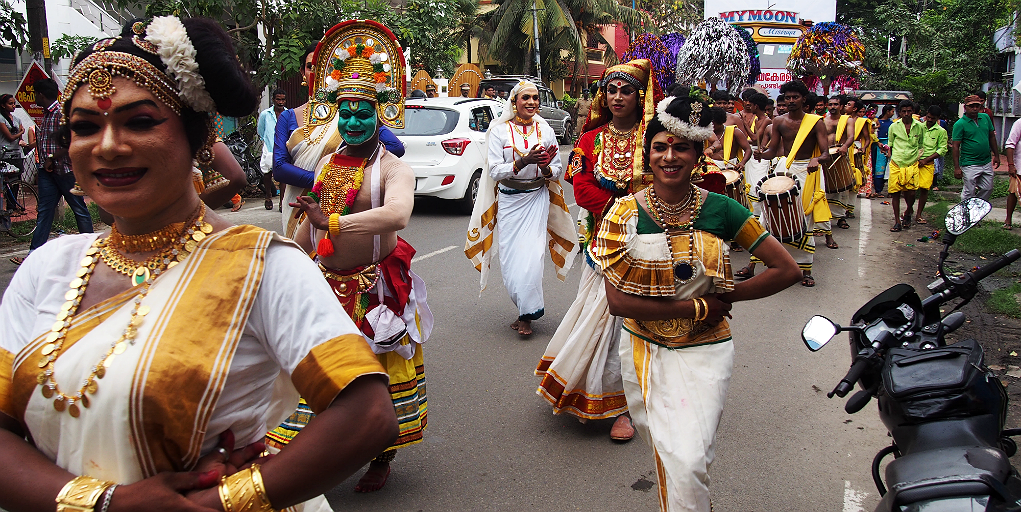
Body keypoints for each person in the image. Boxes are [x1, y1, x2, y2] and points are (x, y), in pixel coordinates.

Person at [0, 17, 399, 512]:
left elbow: (366, 415)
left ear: (196, 137)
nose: (107, 146)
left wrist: (225, 499)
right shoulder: (47, 269)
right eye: (85, 127)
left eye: (139, 121)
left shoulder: (261, 265)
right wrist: (109, 504)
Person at [595, 88, 802, 512]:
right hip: (646, 350)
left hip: (708, 351)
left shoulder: (722, 210)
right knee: (680, 460)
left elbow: (787, 270)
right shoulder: (624, 212)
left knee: (690, 459)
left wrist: (729, 295)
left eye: (681, 148)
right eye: (659, 147)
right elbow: (618, 302)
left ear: (697, 154)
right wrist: (698, 306)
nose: (669, 157)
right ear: (647, 153)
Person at [279, 20, 431, 494]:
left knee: (374, 377)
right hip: (326, 284)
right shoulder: (327, 162)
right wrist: (290, 257)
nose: (353, 122)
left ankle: (380, 456)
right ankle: (314, 459)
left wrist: (335, 224)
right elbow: (312, 221)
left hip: (373, 289)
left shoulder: (393, 167)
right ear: (336, 114)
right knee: (315, 373)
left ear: (379, 114)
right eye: (346, 113)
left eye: (363, 113)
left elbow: (399, 215)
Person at [535, 61, 661, 442]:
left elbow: (677, 176)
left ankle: (629, 405)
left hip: (653, 240)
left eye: (626, 91)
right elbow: (582, 187)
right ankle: (599, 392)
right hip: (604, 242)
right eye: (611, 90)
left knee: (638, 325)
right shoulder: (591, 139)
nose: (618, 97)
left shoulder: (657, 137)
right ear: (602, 96)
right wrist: (622, 209)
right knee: (602, 320)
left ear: (641, 96)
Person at [466, 80, 577, 336]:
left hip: (536, 198)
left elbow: (556, 170)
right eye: (526, 98)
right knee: (511, 261)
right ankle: (522, 307)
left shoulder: (546, 129)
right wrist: (524, 160)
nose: (531, 103)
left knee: (532, 259)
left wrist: (547, 166)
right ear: (514, 101)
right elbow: (494, 170)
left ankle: (527, 315)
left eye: (535, 98)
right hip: (509, 199)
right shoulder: (499, 131)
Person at [274, 44, 405, 238]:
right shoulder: (289, 117)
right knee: (302, 256)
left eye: (322, 67)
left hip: (343, 199)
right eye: (311, 66)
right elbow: (279, 167)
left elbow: (395, 147)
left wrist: (350, 171)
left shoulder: (351, 114)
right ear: (303, 72)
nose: (316, 72)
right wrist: (326, 180)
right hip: (299, 201)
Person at [743, 80, 831, 287]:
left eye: (795, 97)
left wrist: (817, 159)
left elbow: (826, 152)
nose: (791, 101)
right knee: (767, 215)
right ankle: (753, 265)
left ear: (804, 99)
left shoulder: (816, 122)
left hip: (808, 172)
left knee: (803, 219)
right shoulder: (779, 122)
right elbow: (773, 150)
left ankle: (806, 270)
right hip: (785, 170)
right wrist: (761, 155)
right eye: (788, 97)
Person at [16, 78, 94, 264]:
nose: (34, 97)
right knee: (44, 212)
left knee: (79, 210)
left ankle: (92, 252)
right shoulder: (46, 115)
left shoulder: (62, 114)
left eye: (35, 94)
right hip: (47, 173)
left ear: (41, 95)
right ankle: (33, 255)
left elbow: (74, 141)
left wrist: (53, 158)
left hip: (65, 171)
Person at [883, 100, 925, 232]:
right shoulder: (894, 127)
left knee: (911, 193)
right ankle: (897, 221)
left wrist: (918, 158)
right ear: (899, 113)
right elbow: (890, 144)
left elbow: (921, 145)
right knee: (895, 193)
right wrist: (889, 155)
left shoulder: (919, 126)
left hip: (912, 163)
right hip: (896, 162)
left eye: (909, 111)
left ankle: (908, 211)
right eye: (903, 111)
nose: (906, 114)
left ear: (913, 111)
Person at [952, 94, 1001, 202]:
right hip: (970, 162)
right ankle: (965, 213)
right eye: (971, 106)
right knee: (969, 191)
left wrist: (996, 155)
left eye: (977, 106)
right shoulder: (960, 124)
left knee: (988, 188)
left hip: (986, 161)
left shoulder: (985, 117)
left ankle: (975, 208)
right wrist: (956, 167)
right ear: (965, 107)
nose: (975, 108)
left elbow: (991, 136)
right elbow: (955, 146)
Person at [821, 95, 854, 247]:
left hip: (840, 154)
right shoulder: (822, 121)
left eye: (836, 104)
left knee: (841, 190)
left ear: (841, 106)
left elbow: (851, 136)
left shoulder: (847, 120)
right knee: (824, 189)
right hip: (826, 155)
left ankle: (840, 217)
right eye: (831, 104)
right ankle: (824, 219)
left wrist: (845, 146)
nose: (833, 107)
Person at [916, 105, 948, 224]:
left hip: (928, 163)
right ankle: (908, 211)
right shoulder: (918, 127)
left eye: (933, 118)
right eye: (928, 117)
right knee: (910, 188)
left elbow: (942, 149)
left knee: (924, 189)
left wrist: (926, 160)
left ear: (937, 119)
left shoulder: (941, 131)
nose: (929, 120)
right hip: (914, 161)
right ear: (926, 114)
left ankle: (919, 214)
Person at [257, 89, 286, 210]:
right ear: (273, 99)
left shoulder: (288, 113)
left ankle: (282, 202)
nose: (280, 102)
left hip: (283, 147)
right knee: (267, 173)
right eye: (278, 99)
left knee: (283, 175)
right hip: (269, 147)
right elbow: (260, 131)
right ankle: (268, 196)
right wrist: (268, 142)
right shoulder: (265, 114)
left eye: (283, 99)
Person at [0, 93, 25, 216]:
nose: (13, 106)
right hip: (5, 154)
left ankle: (13, 206)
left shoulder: (17, 119)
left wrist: (20, 134)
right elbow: (9, 137)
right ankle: (9, 208)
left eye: (14, 103)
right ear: (3, 105)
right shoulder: (1, 118)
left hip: (17, 153)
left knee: (16, 182)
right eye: (10, 104)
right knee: (7, 182)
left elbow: (20, 138)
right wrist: (20, 131)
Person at [1002, 108, 1024, 229]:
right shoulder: (1019, 123)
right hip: (1020, 167)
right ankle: (1008, 220)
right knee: (1013, 193)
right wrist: (1011, 165)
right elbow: (1010, 145)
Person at [872, 105, 895, 198]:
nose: (893, 114)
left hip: (890, 146)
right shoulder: (877, 122)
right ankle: (878, 190)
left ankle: (891, 190)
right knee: (879, 167)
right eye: (892, 111)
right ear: (888, 111)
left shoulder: (892, 123)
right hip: (879, 146)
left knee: (890, 168)